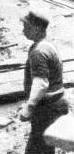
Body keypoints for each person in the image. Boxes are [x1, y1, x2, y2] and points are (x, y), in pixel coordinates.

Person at [18, 10, 69, 154]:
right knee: (42, 146)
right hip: (55, 103)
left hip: (47, 107)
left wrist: (29, 106)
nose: (23, 31)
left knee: (38, 148)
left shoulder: (38, 52)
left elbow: (41, 84)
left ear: (37, 28)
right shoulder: (47, 45)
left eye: (26, 27)